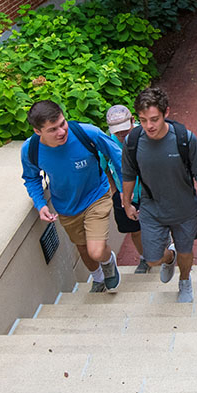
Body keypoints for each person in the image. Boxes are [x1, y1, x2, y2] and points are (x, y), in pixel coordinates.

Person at [20, 100, 126, 293]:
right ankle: (98, 278)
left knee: (95, 250)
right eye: (53, 129)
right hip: (66, 206)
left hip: (97, 196)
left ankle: (108, 260)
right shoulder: (31, 150)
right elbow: (31, 178)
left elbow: (118, 156)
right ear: (38, 131)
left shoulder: (87, 133)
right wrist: (40, 204)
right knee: (83, 248)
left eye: (62, 123)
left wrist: (125, 192)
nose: (61, 132)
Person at [121, 87, 197, 303]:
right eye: (143, 120)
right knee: (152, 259)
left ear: (166, 113)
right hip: (152, 208)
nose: (149, 126)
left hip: (185, 208)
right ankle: (168, 257)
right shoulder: (133, 141)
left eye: (154, 119)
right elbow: (128, 174)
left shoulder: (184, 139)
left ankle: (185, 280)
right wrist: (126, 203)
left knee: (186, 252)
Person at [105, 104, 151, 274]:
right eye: (117, 131)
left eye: (125, 129)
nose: (122, 135)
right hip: (125, 196)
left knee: (157, 224)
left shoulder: (147, 134)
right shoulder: (107, 142)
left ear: (133, 120)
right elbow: (103, 167)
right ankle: (144, 257)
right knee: (135, 230)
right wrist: (115, 191)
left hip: (150, 191)